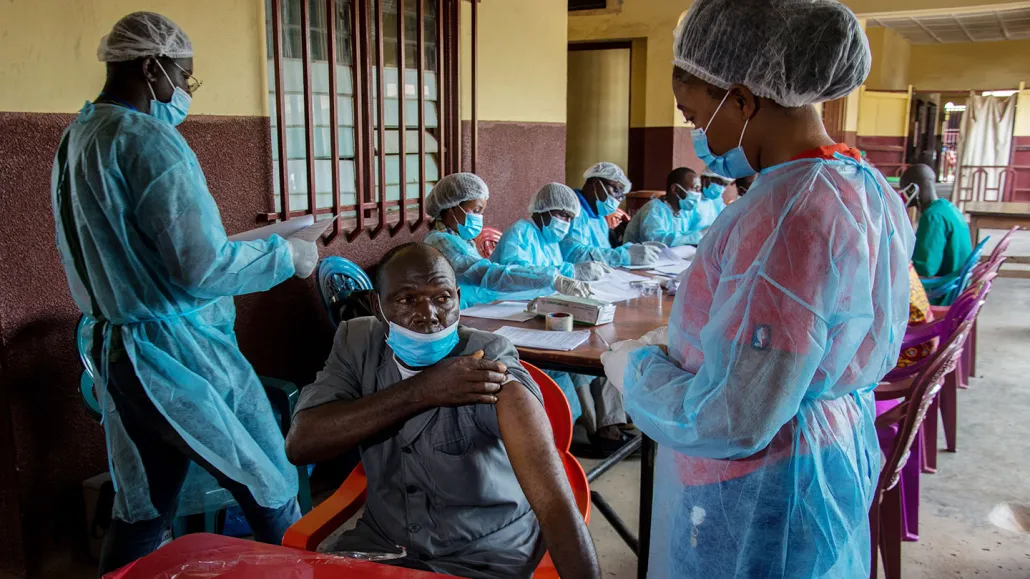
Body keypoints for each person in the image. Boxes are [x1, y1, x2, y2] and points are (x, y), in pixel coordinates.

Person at [601, 0, 913, 576]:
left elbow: (736, 418)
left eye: (696, 117)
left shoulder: (784, 214)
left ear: (743, 98)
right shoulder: (861, 184)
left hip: (761, 480)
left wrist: (638, 372)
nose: (697, 135)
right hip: (824, 451)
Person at [51, 12, 313, 573]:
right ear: (152, 68)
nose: (184, 92)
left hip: (120, 350)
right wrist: (283, 255)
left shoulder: (79, 136)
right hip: (174, 354)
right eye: (183, 77)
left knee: (143, 508)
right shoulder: (150, 141)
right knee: (267, 485)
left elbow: (134, 248)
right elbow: (201, 266)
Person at [285, 243, 601, 579]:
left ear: (458, 299)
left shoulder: (489, 359)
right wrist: (421, 391)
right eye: (407, 299)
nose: (429, 315)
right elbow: (301, 444)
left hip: (485, 554)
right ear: (378, 306)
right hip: (385, 544)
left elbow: (553, 501)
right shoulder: (358, 342)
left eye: (442, 298)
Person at [492, 183, 633, 453]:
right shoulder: (519, 233)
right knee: (574, 358)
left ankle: (601, 425)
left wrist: (574, 272)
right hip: (512, 313)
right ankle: (593, 431)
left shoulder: (550, 241)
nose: (565, 223)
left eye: (570, 218)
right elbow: (517, 272)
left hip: (542, 311)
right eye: (562, 215)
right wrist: (561, 276)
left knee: (599, 342)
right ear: (542, 210)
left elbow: (556, 269)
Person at [423, 173, 593, 308]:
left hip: (478, 308)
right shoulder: (441, 242)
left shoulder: (460, 239)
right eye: (475, 210)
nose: (479, 217)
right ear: (452, 208)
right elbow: (488, 274)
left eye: (481, 212)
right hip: (462, 313)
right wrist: (552, 278)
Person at [560, 162, 664, 268]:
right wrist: (622, 256)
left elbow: (603, 251)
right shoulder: (571, 211)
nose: (618, 198)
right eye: (616, 190)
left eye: (621, 195)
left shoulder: (600, 218)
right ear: (596, 184)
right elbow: (573, 255)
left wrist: (629, 250)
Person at [904, 163, 972, 278]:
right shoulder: (947, 207)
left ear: (912, 189)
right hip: (957, 281)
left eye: (904, 189)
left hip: (942, 288)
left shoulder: (932, 217)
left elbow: (925, 269)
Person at [623, 167, 705, 246]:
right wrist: (695, 237)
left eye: (699, 189)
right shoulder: (654, 209)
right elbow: (656, 241)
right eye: (695, 188)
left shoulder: (683, 212)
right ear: (675, 189)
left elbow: (682, 235)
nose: (698, 194)